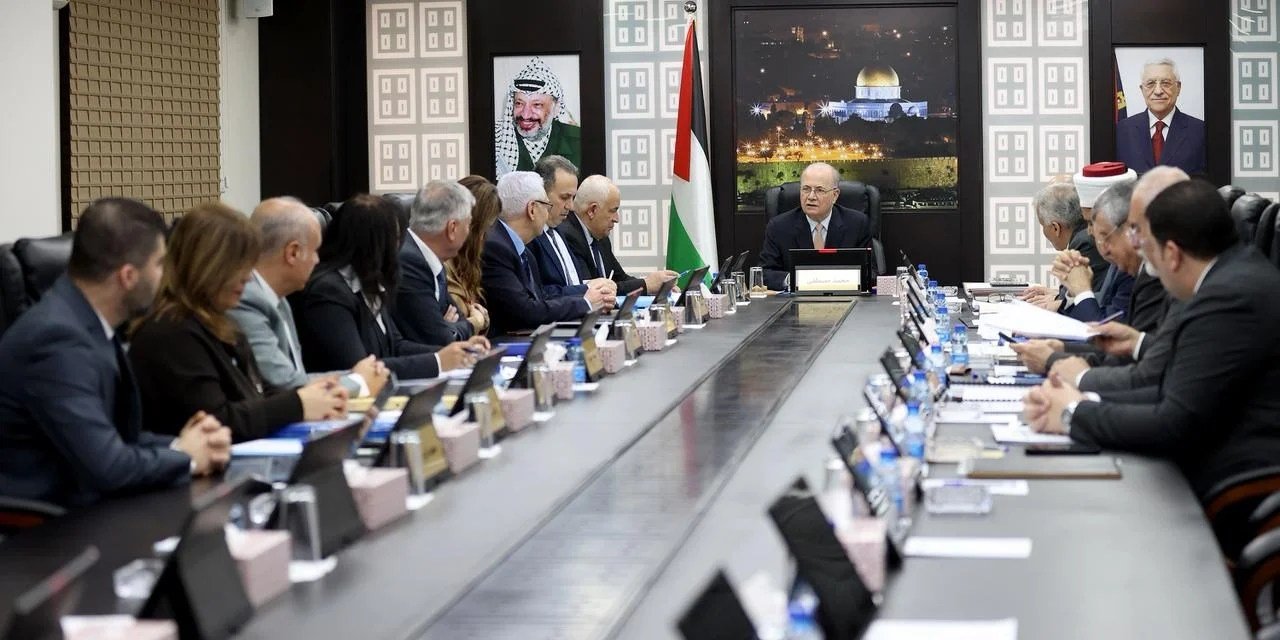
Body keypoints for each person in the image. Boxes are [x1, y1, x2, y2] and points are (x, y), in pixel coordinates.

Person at [1024, 178, 1280, 498]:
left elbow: (1173, 421)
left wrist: (1072, 412)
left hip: (1239, 486)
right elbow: (1166, 387)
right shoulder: (1228, 277)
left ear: (1171, 253)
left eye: (1147, 248)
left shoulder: (1225, 298)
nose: (1146, 264)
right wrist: (1081, 398)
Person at [0, 199, 232, 507]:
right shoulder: (56, 340)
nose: (165, 277)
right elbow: (109, 468)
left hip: (90, 503)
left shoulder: (86, 322)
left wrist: (193, 445)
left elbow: (120, 437)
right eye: (159, 264)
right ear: (128, 276)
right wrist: (185, 457)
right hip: (49, 523)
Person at [129, 204, 348, 443]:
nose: (248, 276)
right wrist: (298, 404)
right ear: (208, 265)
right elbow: (217, 420)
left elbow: (255, 394)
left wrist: (316, 395)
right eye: (240, 265)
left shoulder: (219, 324)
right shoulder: (171, 333)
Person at [291, 194, 485, 379]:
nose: (398, 250)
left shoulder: (369, 282)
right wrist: (438, 361)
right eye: (396, 241)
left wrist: (454, 353)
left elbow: (395, 346)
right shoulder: (328, 292)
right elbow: (360, 369)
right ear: (376, 245)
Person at [228, 197, 390, 398]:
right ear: (293, 253)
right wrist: (358, 382)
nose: (317, 260)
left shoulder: (279, 298)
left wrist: (357, 375)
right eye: (314, 251)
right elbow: (282, 383)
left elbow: (297, 377)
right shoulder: (246, 300)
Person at [482, 171, 612, 335]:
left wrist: (587, 293)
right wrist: (585, 303)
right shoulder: (495, 248)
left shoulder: (522, 251)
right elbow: (524, 311)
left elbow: (542, 297)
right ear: (532, 209)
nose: (548, 212)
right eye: (546, 205)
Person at [558, 174, 677, 296]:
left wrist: (656, 285)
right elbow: (591, 290)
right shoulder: (568, 237)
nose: (617, 219)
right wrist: (646, 284)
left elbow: (620, 279)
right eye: (613, 211)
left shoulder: (600, 238)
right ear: (592, 210)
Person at [758, 162, 871, 291]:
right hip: (795, 301)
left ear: (835, 195)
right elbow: (765, 273)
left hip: (845, 298)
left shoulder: (857, 224)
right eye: (806, 189)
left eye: (819, 190)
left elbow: (870, 272)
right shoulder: (779, 227)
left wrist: (835, 281)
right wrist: (793, 280)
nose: (811, 197)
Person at [393, 180, 477, 345]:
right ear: (452, 228)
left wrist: (449, 328)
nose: (468, 232)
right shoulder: (409, 262)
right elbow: (441, 339)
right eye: (468, 224)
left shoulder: (433, 258)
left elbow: (454, 321)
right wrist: (475, 323)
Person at [1020, 183, 1109, 310]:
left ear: (1055, 228)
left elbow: (1087, 300)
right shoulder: (1083, 235)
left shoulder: (1084, 242)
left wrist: (1057, 300)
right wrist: (1056, 294)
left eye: (1043, 225)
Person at [527, 155, 602, 297]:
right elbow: (538, 294)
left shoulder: (561, 231)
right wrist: (585, 289)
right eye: (564, 197)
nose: (571, 206)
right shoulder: (529, 238)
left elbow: (569, 283)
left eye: (573, 198)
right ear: (542, 193)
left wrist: (592, 286)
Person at [1116, 58, 1206, 175]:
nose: (1158, 91)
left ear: (1178, 88)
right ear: (1142, 90)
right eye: (1150, 84)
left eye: (1166, 83)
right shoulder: (1122, 131)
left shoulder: (1201, 131)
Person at [494, 57, 581, 176]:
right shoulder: (498, 139)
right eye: (519, 103)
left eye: (537, 105)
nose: (525, 115)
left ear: (556, 108)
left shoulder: (579, 140)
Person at [448, 176, 497, 335]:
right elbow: (448, 333)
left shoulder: (467, 263)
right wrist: (478, 322)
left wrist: (483, 320)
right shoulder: (439, 266)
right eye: (483, 229)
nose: (484, 238)